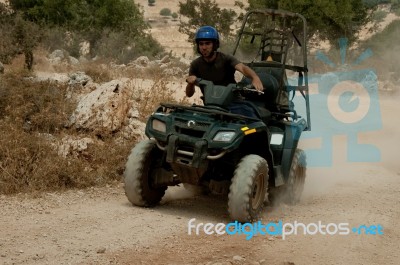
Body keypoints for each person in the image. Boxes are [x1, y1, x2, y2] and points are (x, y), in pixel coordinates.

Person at [185, 26, 264, 100]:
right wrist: (190, 83)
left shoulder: (226, 59)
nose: (204, 47)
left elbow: (243, 68)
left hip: (232, 102)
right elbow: (189, 94)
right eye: (201, 44)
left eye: (207, 43)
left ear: (215, 44)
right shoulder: (195, 64)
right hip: (211, 104)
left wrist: (255, 77)